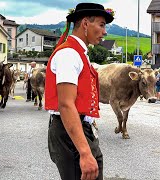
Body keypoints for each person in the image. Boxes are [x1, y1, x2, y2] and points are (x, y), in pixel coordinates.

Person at [45, 3, 114, 180]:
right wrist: (84, 152)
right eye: (101, 24)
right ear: (85, 24)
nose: (104, 31)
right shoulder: (69, 54)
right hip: (70, 130)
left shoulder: (78, 52)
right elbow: (66, 104)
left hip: (77, 128)